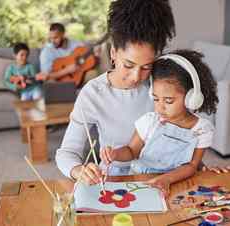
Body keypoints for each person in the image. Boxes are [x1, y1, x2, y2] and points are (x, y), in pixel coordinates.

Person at [55, 0, 176, 184]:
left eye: (146, 67)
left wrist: (198, 165)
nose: (136, 76)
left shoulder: (162, 85)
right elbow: (67, 153)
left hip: (160, 179)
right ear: (113, 53)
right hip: (112, 182)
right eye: (128, 65)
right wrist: (78, 170)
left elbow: (185, 131)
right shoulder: (93, 93)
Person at [100, 49, 219, 197]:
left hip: (175, 182)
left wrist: (166, 179)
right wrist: (115, 153)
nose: (160, 106)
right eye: (156, 99)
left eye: (168, 100)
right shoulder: (150, 121)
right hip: (141, 181)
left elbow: (192, 166)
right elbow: (131, 151)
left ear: (191, 97)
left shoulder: (202, 129)